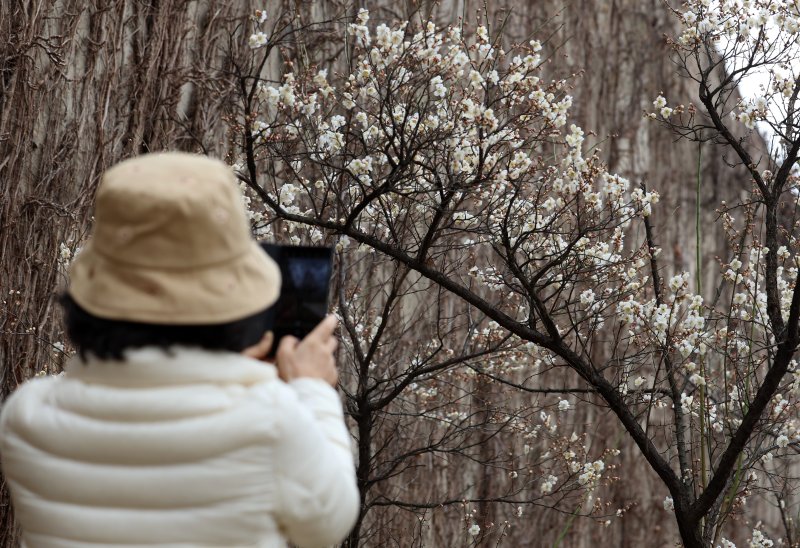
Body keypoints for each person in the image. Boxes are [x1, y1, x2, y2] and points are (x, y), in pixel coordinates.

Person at [0, 152, 360, 547]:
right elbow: (328, 522)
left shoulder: (27, 415)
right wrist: (312, 388)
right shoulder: (270, 419)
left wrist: (226, 372)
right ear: (237, 311)